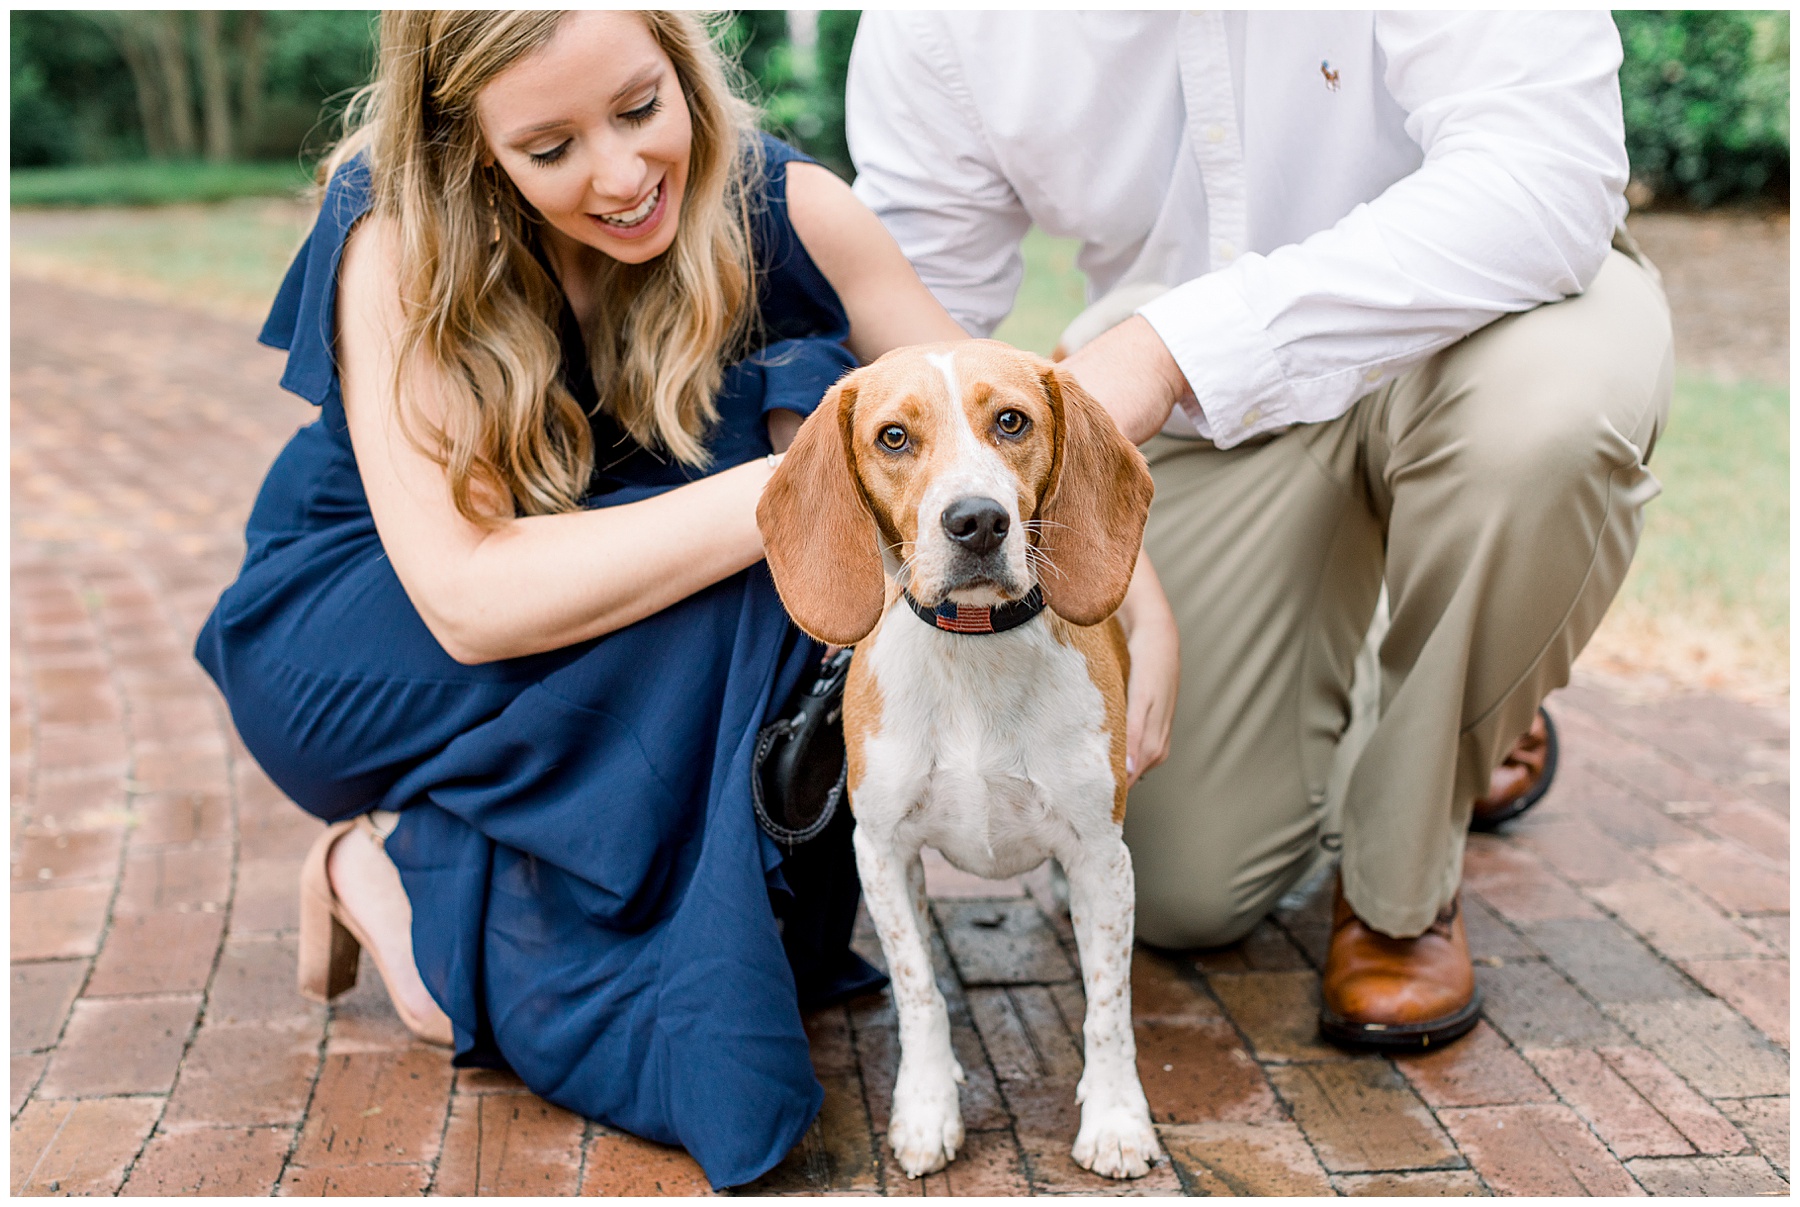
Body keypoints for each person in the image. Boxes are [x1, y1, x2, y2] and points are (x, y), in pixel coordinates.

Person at [192, 10, 1036, 1189]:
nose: (625, 172)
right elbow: (471, 600)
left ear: (683, 60)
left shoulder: (782, 205)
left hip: (583, 613)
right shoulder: (397, 236)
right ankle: (394, 879)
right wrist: (788, 493)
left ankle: (477, 885)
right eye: (551, 148)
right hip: (360, 627)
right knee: (781, 540)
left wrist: (1132, 596)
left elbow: (990, 415)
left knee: (808, 458)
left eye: (642, 108)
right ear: (469, 147)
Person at [846, 11, 1673, 1050]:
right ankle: (1435, 680)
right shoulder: (938, 23)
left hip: (1486, 329)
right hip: (1208, 423)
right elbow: (927, 331)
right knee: (1191, 888)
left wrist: (1170, 350)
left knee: (1550, 425)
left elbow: (1545, 176)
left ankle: (1404, 876)